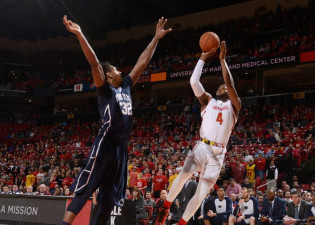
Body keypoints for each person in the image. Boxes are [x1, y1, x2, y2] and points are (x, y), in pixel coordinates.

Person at [61, 15, 171, 225]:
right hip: (106, 144)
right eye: (116, 70)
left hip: (122, 149)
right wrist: (80, 34)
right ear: (109, 75)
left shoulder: (127, 85)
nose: (121, 71)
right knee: (83, 194)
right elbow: (94, 63)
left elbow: (143, 61)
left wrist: (156, 38)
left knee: (109, 202)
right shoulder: (105, 91)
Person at [155, 41, 241, 225]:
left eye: (224, 87)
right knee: (185, 173)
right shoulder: (207, 101)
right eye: (220, 87)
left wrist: (222, 60)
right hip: (203, 146)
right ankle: (165, 207)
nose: (222, 87)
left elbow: (230, 84)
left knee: (201, 194)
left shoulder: (234, 105)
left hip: (219, 154)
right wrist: (202, 58)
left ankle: (182, 223)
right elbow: (194, 82)